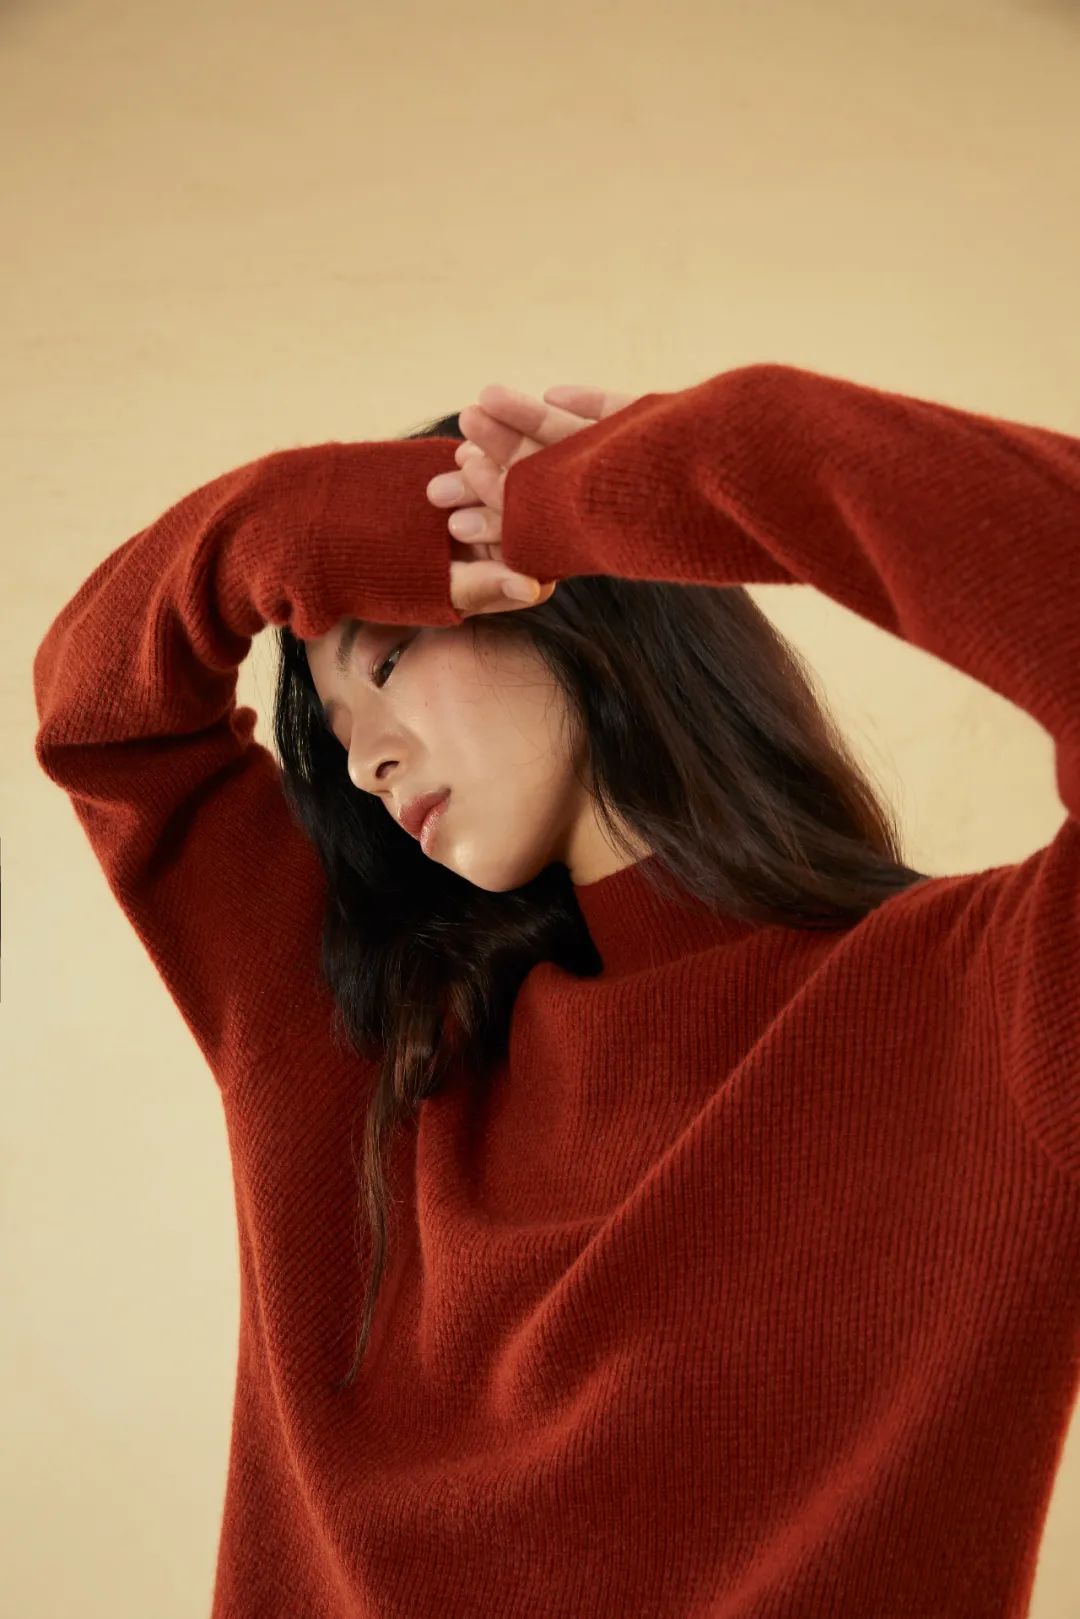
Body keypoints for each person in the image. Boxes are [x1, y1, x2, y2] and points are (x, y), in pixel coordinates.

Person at [32, 363, 1080, 1618]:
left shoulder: (995, 1003)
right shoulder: (368, 1045)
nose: (363, 763)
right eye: (338, 726)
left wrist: (637, 483)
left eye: (392, 658)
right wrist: (318, 518)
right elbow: (102, 715)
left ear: (574, 605)